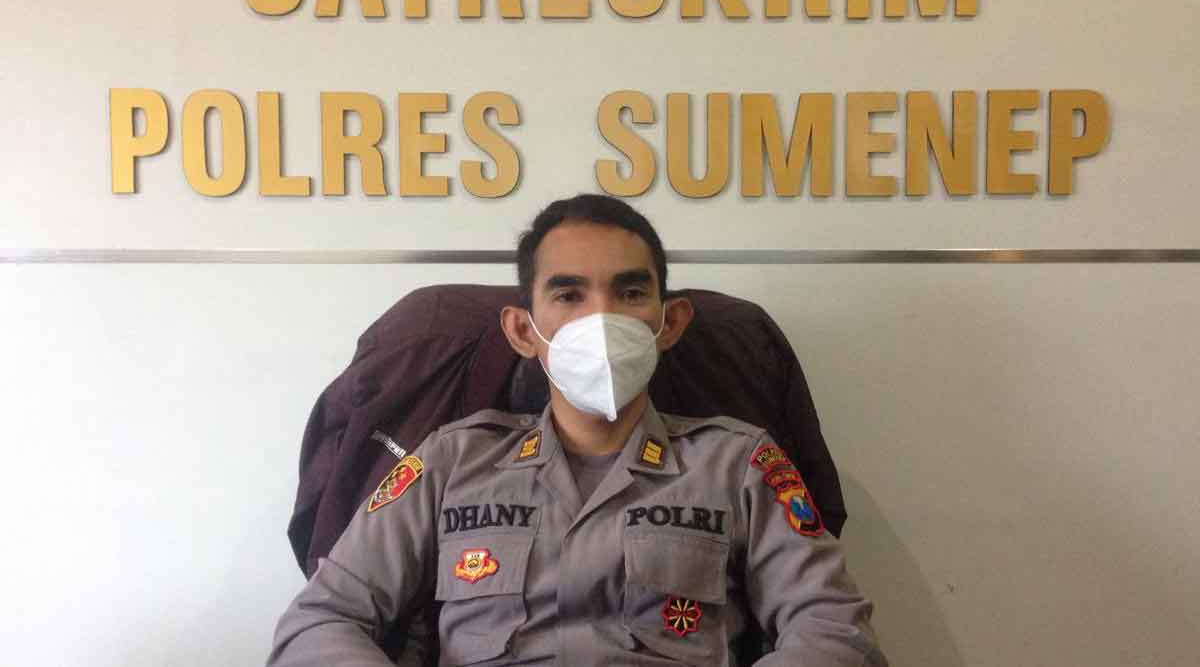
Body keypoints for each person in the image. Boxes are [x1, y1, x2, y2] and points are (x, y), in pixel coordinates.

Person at [268, 194, 888, 666]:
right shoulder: (452, 461)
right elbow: (320, 621)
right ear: (522, 331)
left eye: (630, 292)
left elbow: (835, 630)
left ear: (669, 323)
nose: (602, 319)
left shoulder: (738, 464)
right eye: (569, 295)